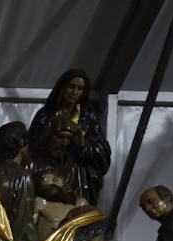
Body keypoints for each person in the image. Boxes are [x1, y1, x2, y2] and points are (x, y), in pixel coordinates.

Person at [27, 69, 111, 205]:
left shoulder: (88, 117)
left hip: (78, 175)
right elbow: (32, 146)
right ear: (62, 87)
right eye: (71, 87)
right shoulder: (45, 115)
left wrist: (82, 143)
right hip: (49, 173)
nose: (75, 92)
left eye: (80, 88)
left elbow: (102, 151)